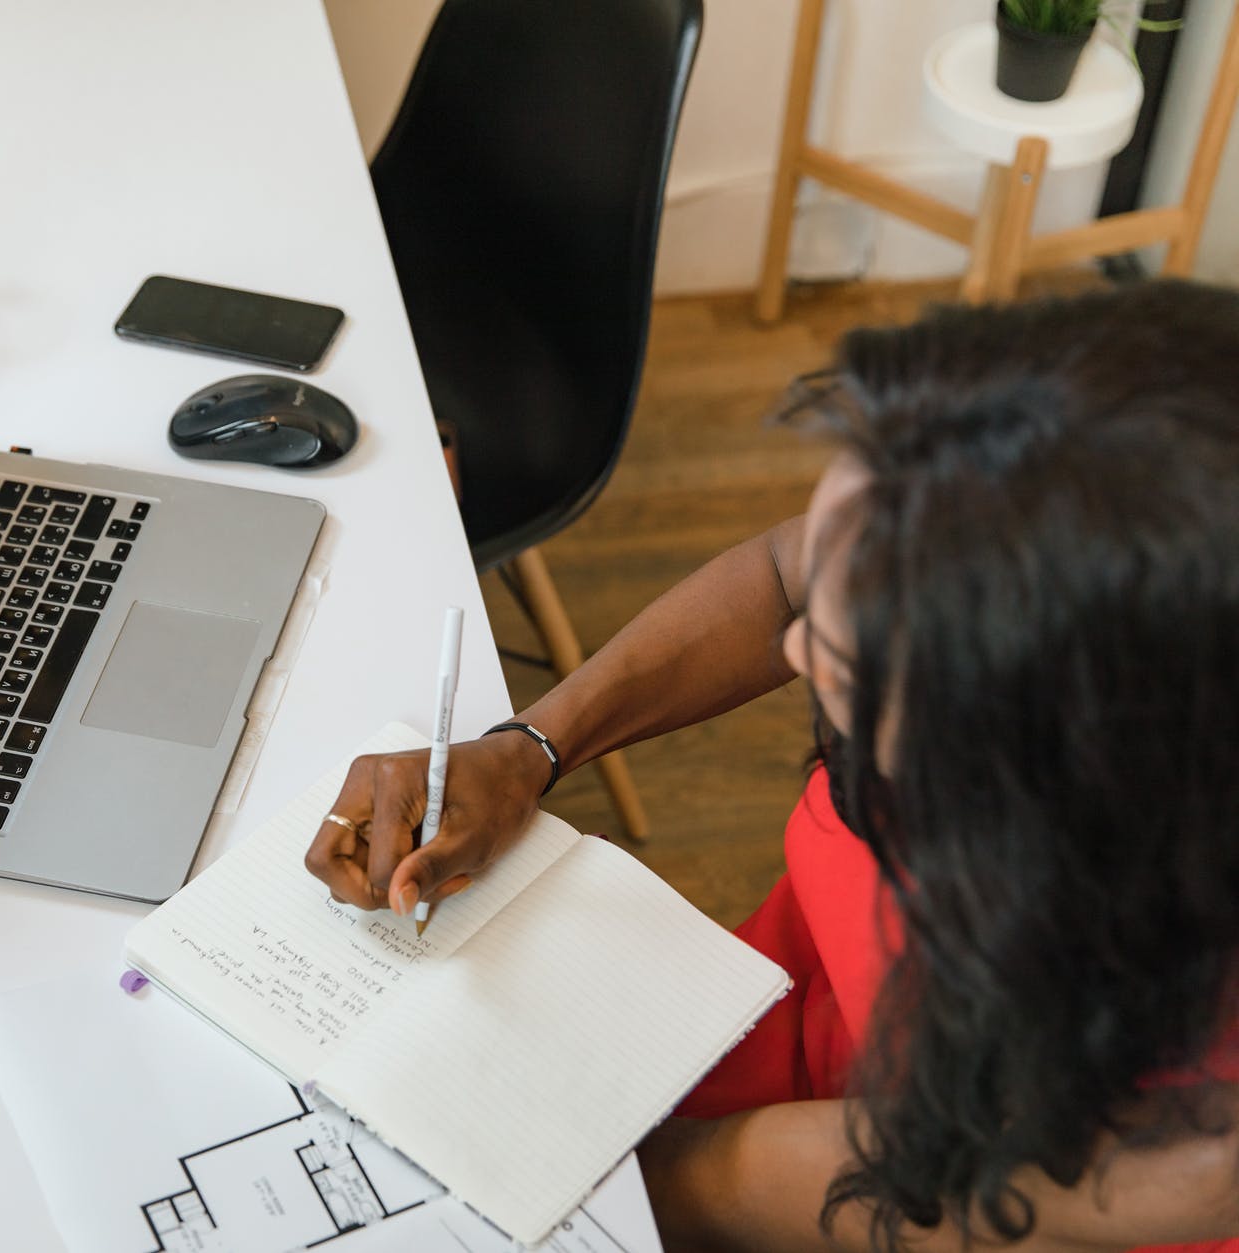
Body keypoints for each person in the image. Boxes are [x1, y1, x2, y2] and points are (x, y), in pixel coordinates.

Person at [304, 281, 1239, 1252]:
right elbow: (788, 572)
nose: (791, 647)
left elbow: (777, 1183)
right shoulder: (949, 554)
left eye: (843, 660)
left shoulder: (1190, 1137)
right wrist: (529, 747)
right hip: (769, 1037)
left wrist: (573, 1184)